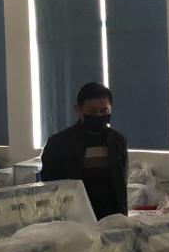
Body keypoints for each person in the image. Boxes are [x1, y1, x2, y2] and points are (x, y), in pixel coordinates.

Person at [41, 82, 129, 220]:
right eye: (92, 111)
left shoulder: (118, 141)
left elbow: (122, 181)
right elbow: (49, 187)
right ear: (78, 109)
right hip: (74, 217)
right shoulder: (58, 144)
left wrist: (123, 215)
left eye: (104, 111)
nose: (99, 115)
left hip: (112, 216)